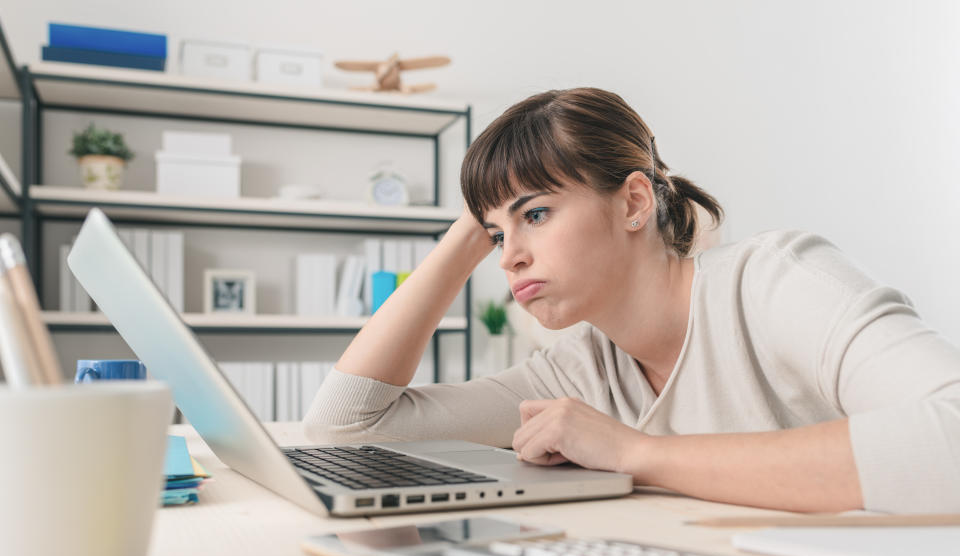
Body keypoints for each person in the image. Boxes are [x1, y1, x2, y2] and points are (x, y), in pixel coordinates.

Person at [304, 87, 960, 514]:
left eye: (535, 214)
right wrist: (463, 238)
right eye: (496, 234)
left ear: (634, 202)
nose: (507, 256)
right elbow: (347, 427)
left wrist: (635, 452)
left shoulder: (774, 283)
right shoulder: (576, 372)